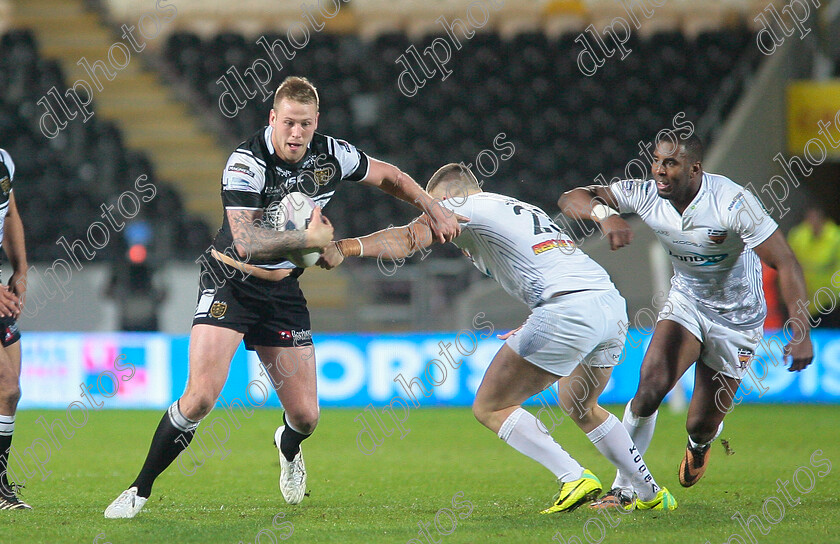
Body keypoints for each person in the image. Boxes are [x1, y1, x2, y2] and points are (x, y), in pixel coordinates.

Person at [104, 76, 459, 518]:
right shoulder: (245, 162)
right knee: (199, 398)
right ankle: (139, 490)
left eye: (305, 125)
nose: (296, 134)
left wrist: (433, 207)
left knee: (307, 417)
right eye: (288, 123)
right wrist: (306, 240)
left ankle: (287, 445)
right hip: (230, 283)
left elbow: (392, 177)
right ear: (273, 118)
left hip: (283, 291)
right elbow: (247, 241)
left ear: (316, 123)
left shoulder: (332, 154)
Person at [326, 163, 677, 512]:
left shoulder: (460, 206)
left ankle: (573, 476)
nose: (436, 218)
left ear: (447, 197)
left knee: (490, 406)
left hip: (566, 311)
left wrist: (345, 247)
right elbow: (550, 264)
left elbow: (406, 239)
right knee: (580, 404)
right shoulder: (521, 208)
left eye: (432, 206)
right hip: (608, 306)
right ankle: (650, 494)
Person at [558, 133, 813, 507]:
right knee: (648, 391)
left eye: (670, 164)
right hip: (687, 304)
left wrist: (801, 330)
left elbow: (785, 260)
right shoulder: (646, 193)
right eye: (657, 161)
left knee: (700, 423)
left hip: (737, 319)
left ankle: (701, 443)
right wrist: (605, 214)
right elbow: (571, 198)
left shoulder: (732, 202)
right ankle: (624, 489)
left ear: (695, 169)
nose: (659, 171)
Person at [0, 148, 30, 510]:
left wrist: (21, 270)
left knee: (8, 395)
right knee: (7, 387)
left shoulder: (4, 160)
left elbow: (10, 214)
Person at [787, 205, 840, 328]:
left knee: (828, 332)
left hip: (829, 299)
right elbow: (790, 264)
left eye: (816, 219)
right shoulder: (798, 236)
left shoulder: (836, 237)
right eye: (809, 219)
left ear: (824, 219)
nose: (812, 223)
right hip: (803, 297)